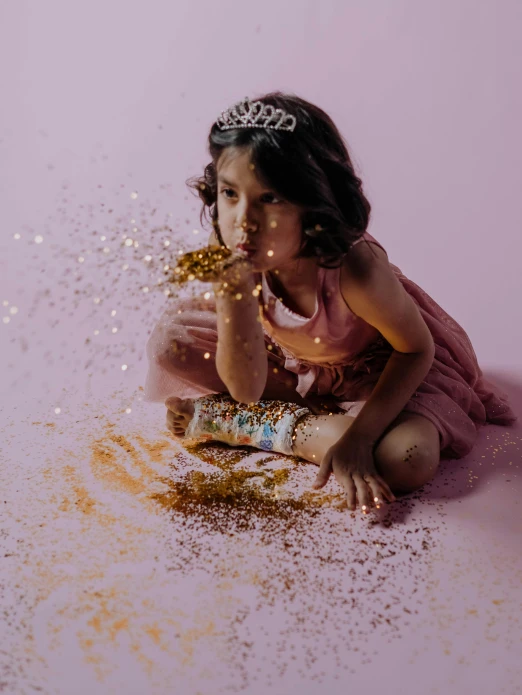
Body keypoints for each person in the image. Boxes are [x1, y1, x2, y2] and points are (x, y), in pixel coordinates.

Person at [144, 93, 517, 513]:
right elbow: (246, 388)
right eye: (230, 194)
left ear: (313, 200)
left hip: (380, 368)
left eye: (269, 199)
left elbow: (415, 350)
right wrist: (235, 297)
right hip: (285, 364)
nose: (243, 221)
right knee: (170, 346)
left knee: (407, 461)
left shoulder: (355, 270)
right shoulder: (235, 251)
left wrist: (359, 439)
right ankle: (248, 422)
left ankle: (242, 421)